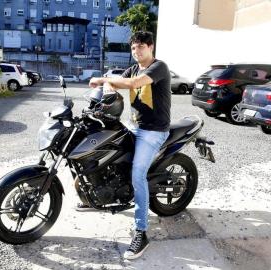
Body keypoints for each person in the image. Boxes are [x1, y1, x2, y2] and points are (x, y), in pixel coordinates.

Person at [87, 31, 171, 260]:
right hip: (134, 125)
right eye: (133, 48)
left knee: (137, 174)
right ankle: (93, 196)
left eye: (140, 47)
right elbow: (119, 81)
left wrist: (104, 80)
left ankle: (141, 232)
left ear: (151, 46)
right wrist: (107, 90)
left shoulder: (158, 67)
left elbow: (134, 83)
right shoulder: (133, 68)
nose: (136, 51)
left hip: (153, 131)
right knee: (108, 152)